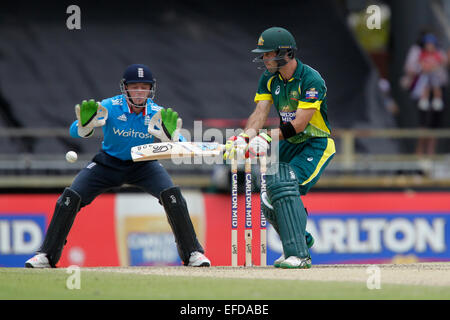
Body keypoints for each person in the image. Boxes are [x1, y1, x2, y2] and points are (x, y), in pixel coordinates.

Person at [25, 64, 211, 268]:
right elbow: (74, 132)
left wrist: (172, 137)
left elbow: (181, 142)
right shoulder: (110, 106)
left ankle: (193, 253)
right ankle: (46, 255)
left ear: (151, 89)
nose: (140, 92)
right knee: (68, 199)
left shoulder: (157, 113)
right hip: (108, 164)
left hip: (144, 165)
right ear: (125, 88)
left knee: (173, 196)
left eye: (144, 87)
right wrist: (84, 125)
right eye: (135, 87)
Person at [224, 27, 335, 269]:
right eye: (262, 55)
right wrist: (244, 138)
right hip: (289, 144)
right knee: (268, 194)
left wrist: (265, 138)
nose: (264, 59)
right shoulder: (268, 79)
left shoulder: (311, 79)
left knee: (283, 183)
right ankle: (300, 238)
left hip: (314, 144)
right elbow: (259, 113)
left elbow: (299, 124)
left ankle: (300, 255)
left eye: (267, 54)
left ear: (285, 53)